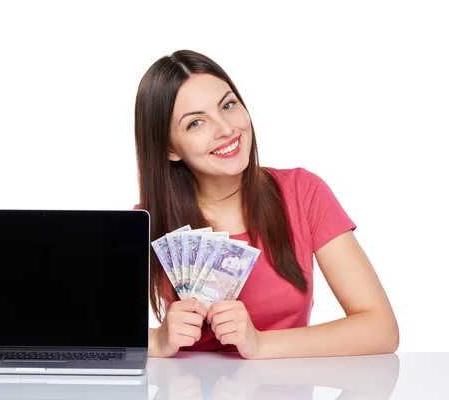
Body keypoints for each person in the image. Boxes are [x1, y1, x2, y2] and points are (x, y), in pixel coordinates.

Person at [133, 49, 399, 359]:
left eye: (228, 105)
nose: (226, 129)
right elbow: (87, 331)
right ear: (169, 148)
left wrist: (259, 344)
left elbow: (381, 328)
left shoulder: (303, 193)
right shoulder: (147, 221)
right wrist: (156, 340)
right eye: (196, 123)